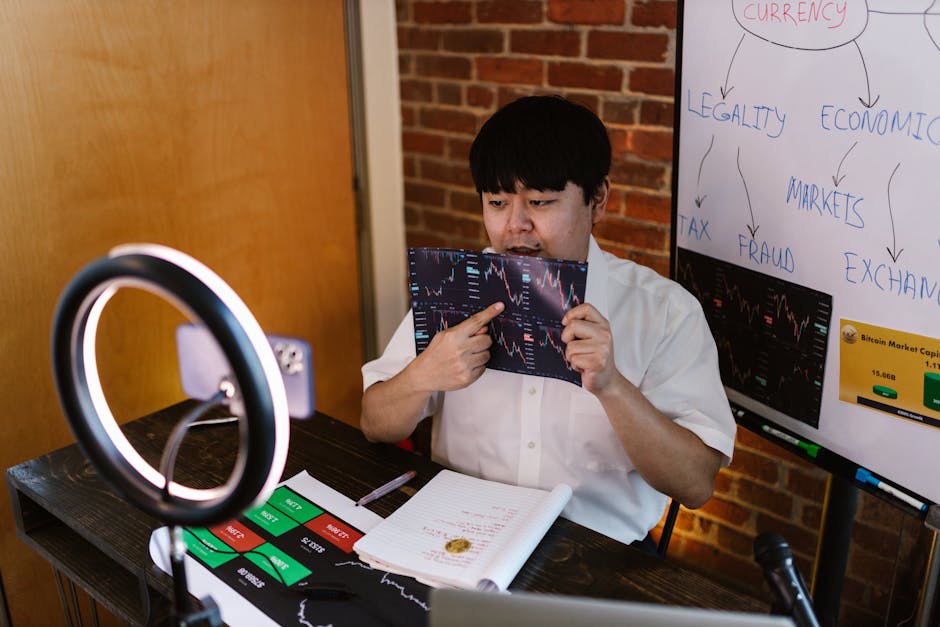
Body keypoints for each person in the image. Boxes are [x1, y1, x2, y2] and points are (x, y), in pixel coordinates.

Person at [360, 95, 735, 549]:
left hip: (595, 554)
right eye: (497, 202)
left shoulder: (664, 312)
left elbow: (696, 485)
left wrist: (613, 386)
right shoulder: (455, 288)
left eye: (540, 201)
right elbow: (375, 423)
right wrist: (423, 375)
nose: (516, 225)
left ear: (598, 200)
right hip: (458, 536)